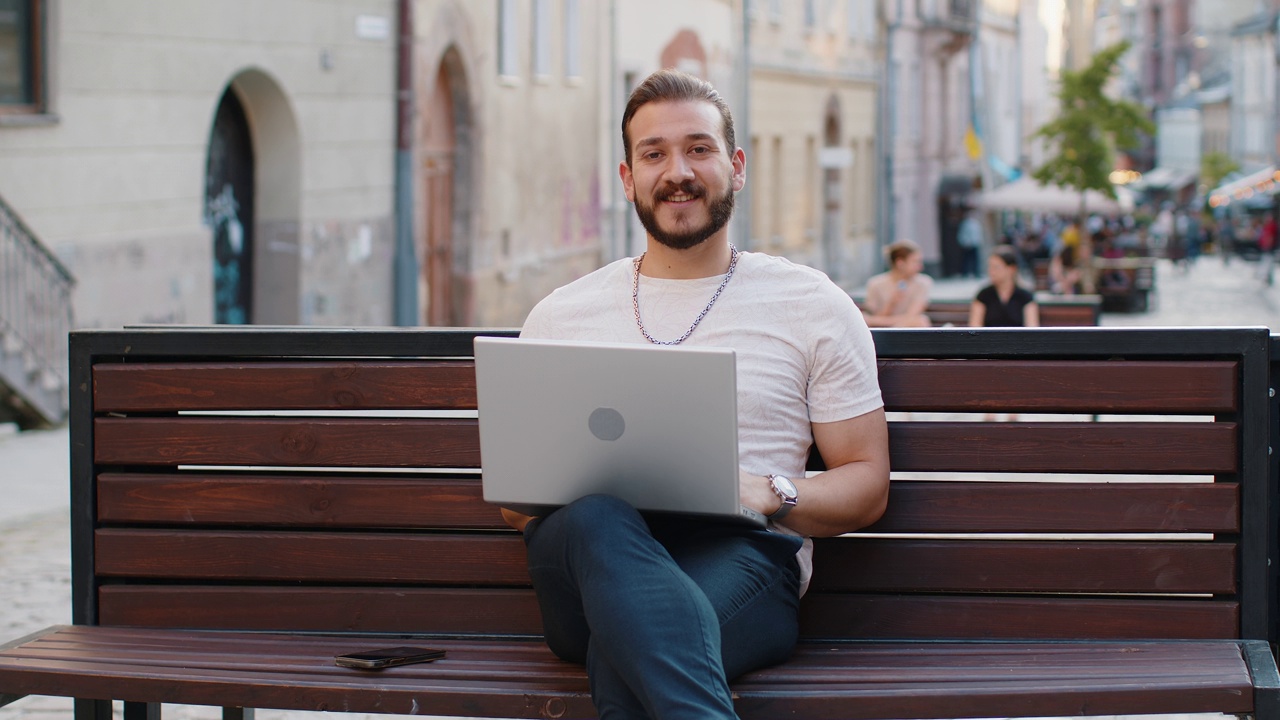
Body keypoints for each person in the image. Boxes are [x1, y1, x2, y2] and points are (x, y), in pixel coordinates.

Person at [505, 69, 891, 720]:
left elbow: (867, 482)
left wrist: (771, 491)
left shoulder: (811, 304)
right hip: (588, 563)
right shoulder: (561, 315)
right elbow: (519, 510)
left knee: (625, 648)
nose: (677, 171)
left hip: (740, 558)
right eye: (654, 154)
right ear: (628, 178)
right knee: (598, 517)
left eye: (699, 149)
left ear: (736, 167)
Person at [861, 239, 933, 327]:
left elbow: (912, 316)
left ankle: (892, 333)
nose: (920, 267)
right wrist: (891, 304)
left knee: (921, 321)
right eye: (915, 262)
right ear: (900, 263)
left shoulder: (923, 283)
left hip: (906, 332)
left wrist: (882, 322)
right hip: (881, 332)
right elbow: (872, 319)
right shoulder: (875, 284)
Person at [969, 244, 1040, 327]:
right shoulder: (983, 295)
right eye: (990, 267)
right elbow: (974, 327)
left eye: (996, 267)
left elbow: (1032, 328)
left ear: (1011, 269)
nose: (991, 272)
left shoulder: (1025, 297)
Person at [956, 208, 984, 278]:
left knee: (975, 259)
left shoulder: (976, 223)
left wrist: (979, 241)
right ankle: (965, 273)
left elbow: (978, 234)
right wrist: (964, 242)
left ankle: (976, 273)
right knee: (967, 259)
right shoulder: (966, 223)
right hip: (968, 244)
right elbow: (962, 234)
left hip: (975, 243)